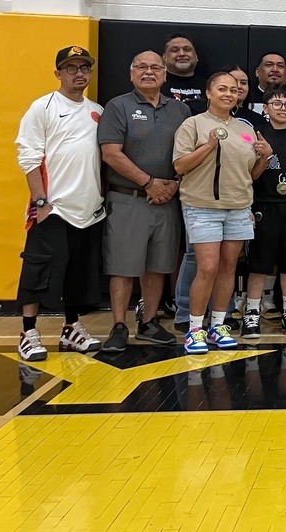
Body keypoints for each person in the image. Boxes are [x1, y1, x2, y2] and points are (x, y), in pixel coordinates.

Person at [173, 71, 274, 354]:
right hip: (202, 207)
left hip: (239, 207)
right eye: (222, 89)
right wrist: (208, 146)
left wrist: (266, 156)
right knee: (207, 268)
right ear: (208, 93)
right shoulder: (192, 124)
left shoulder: (245, 129)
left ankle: (218, 325)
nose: (229, 94)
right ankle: (195, 329)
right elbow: (180, 166)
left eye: (233, 89)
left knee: (229, 267)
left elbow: (252, 174)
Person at [14, 46, 105, 361]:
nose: (79, 73)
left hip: (89, 209)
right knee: (37, 270)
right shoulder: (43, 107)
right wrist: (41, 200)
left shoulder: (98, 111)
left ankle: (71, 328)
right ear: (58, 73)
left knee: (79, 273)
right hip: (53, 207)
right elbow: (29, 156)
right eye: (71, 68)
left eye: (84, 68)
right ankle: (28, 332)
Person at [98, 50, 189, 352]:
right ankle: (119, 326)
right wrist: (148, 182)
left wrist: (175, 184)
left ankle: (149, 322)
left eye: (155, 68)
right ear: (131, 73)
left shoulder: (180, 110)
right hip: (129, 198)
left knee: (158, 265)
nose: (149, 72)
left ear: (165, 74)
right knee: (123, 266)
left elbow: (189, 153)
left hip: (167, 199)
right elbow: (111, 153)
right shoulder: (118, 106)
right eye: (141, 67)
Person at [241, 84, 286, 338]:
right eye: (277, 104)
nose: (283, 109)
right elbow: (250, 175)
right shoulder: (254, 135)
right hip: (264, 205)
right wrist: (265, 158)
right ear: (265, 108)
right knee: (259, 264)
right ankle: (252, 312)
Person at [163, 34, 205, 104]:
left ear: (196, 56)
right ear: (164, 57)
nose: (181, 54)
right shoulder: (156, 85)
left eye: (187, 50)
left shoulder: (210, 86)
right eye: (175, 50)